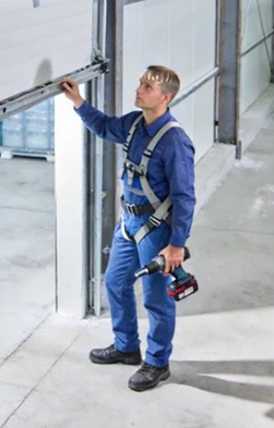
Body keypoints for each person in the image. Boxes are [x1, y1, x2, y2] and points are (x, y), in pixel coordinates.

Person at [59, 65, 196, 392]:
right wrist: (79, 101)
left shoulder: (175, 142)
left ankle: (158, 362)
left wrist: (176, 245)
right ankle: (126, 346)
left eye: (147, 86)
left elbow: (184, 196)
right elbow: (105, 127)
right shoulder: (134, 124)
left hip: (157, 228)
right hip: (129, 222)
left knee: (156, 299)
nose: (139, 89)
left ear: (165, 97)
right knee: (115, 281)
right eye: (140, 82)